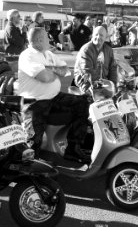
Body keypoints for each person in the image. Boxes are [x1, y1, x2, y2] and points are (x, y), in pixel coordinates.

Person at [18, 27, 90, 162]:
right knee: (33, 142)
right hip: (35, 102)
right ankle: (32, 170)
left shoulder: (48, 54)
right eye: (47, 37)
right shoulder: (27, 55)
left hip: (54, 97)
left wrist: (49, 68)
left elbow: (65, 71)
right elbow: (45, 77)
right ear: (39, 40)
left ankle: (73, 148)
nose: (49, 39)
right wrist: (53, 72)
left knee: (83, 102)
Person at [74, 26, 118, 93]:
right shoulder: (86, 50)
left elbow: (113, 69)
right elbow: (87, 71)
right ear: (92, 35)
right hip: (87, 84)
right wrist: (101, 87)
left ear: (105, 37)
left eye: (101, 35)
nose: (98, 37)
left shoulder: (109, 50)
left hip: (103, 85)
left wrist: (113, 85)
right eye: (96, 34)